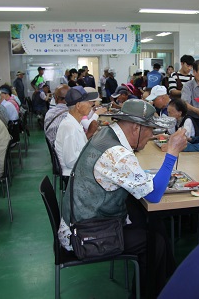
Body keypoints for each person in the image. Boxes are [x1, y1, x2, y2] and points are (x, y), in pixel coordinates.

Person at [58, 99, 188, 297]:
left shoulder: (107, 134)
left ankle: (166, 282)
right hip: (84, 235)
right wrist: (172, 153)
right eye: (150, 129)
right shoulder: (117, 154)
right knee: (155, 242)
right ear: (136, 128)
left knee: (153, 223)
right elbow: (154, 196)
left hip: (79, 220)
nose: (152, 135)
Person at [54, 86, 99, 177]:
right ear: (78, 106)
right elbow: (71, 161)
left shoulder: (75, 123)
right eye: (88, 102)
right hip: (74, 175)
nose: (91, 105)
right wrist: (93, 157)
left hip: (79, 170)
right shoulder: (69, 127)